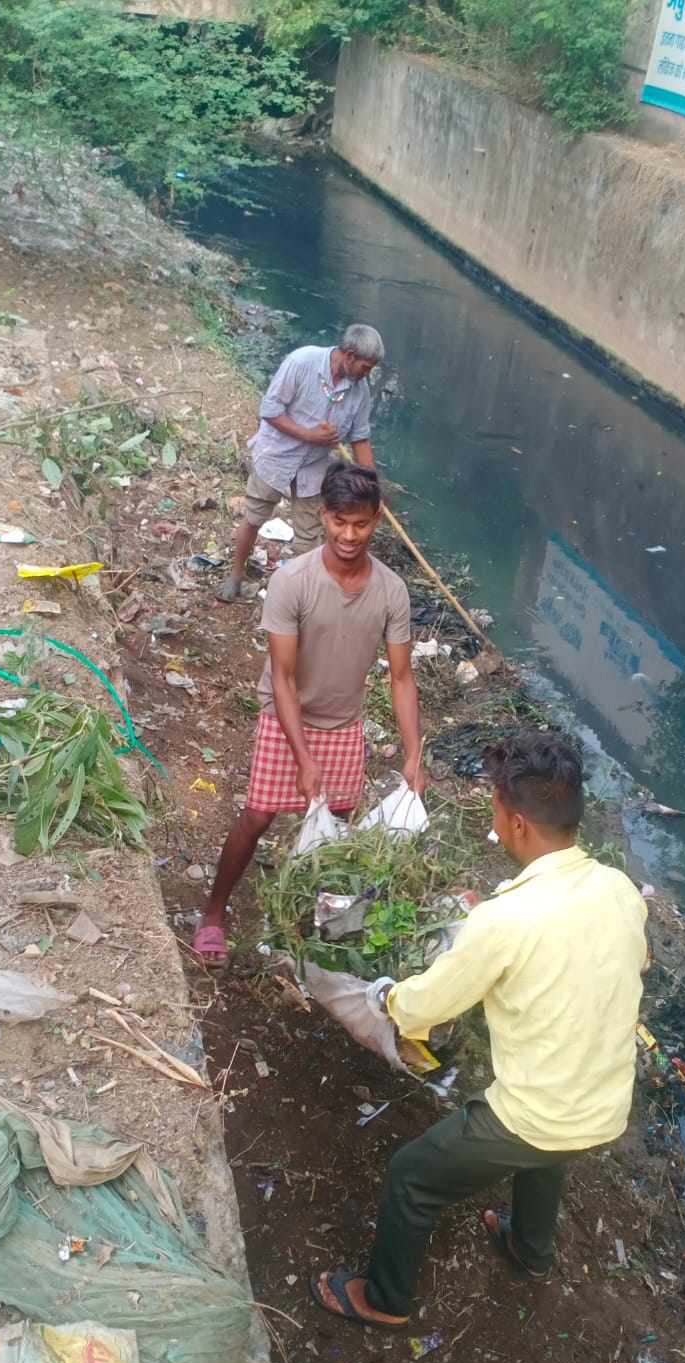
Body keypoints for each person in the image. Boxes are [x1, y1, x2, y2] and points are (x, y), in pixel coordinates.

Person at [310, 731, 649, 1326]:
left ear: (517, 823)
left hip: (540, 1113)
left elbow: (424, 1009)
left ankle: (385, 1300)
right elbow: (632, 960)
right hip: (603, 1103)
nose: (493, 818)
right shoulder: (619, 890)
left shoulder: (504, 919)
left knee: (412, 1175)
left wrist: (386, 994)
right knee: (549, 1152)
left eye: (494, 806)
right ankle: (531, 1250)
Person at [195, 460, 424, 965]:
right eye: (339, 522)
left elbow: (401, 678)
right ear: (322, 515)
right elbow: (283, 678)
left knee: (335, 829)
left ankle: (310, 923)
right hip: (288, 717)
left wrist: (413, 755)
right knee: (258, 816)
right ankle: (213, 913)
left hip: (344, 724)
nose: (349, 535)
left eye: (360, 524)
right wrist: (303, 758)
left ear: (377, 519)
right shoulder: (293, 582)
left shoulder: (391, 591)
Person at [216, 324, 384, 604]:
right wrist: (310, 435)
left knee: (309, 535)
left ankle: (300, 596)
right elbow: (270, 410)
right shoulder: (302, 362)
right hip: (276, 455)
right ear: (350, 356)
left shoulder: (360, 390)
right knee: (255, 517)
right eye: (366, 367)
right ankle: (235, 574)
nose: (367, 374)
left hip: (313, 467)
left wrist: (373, 489)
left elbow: (361, 437)